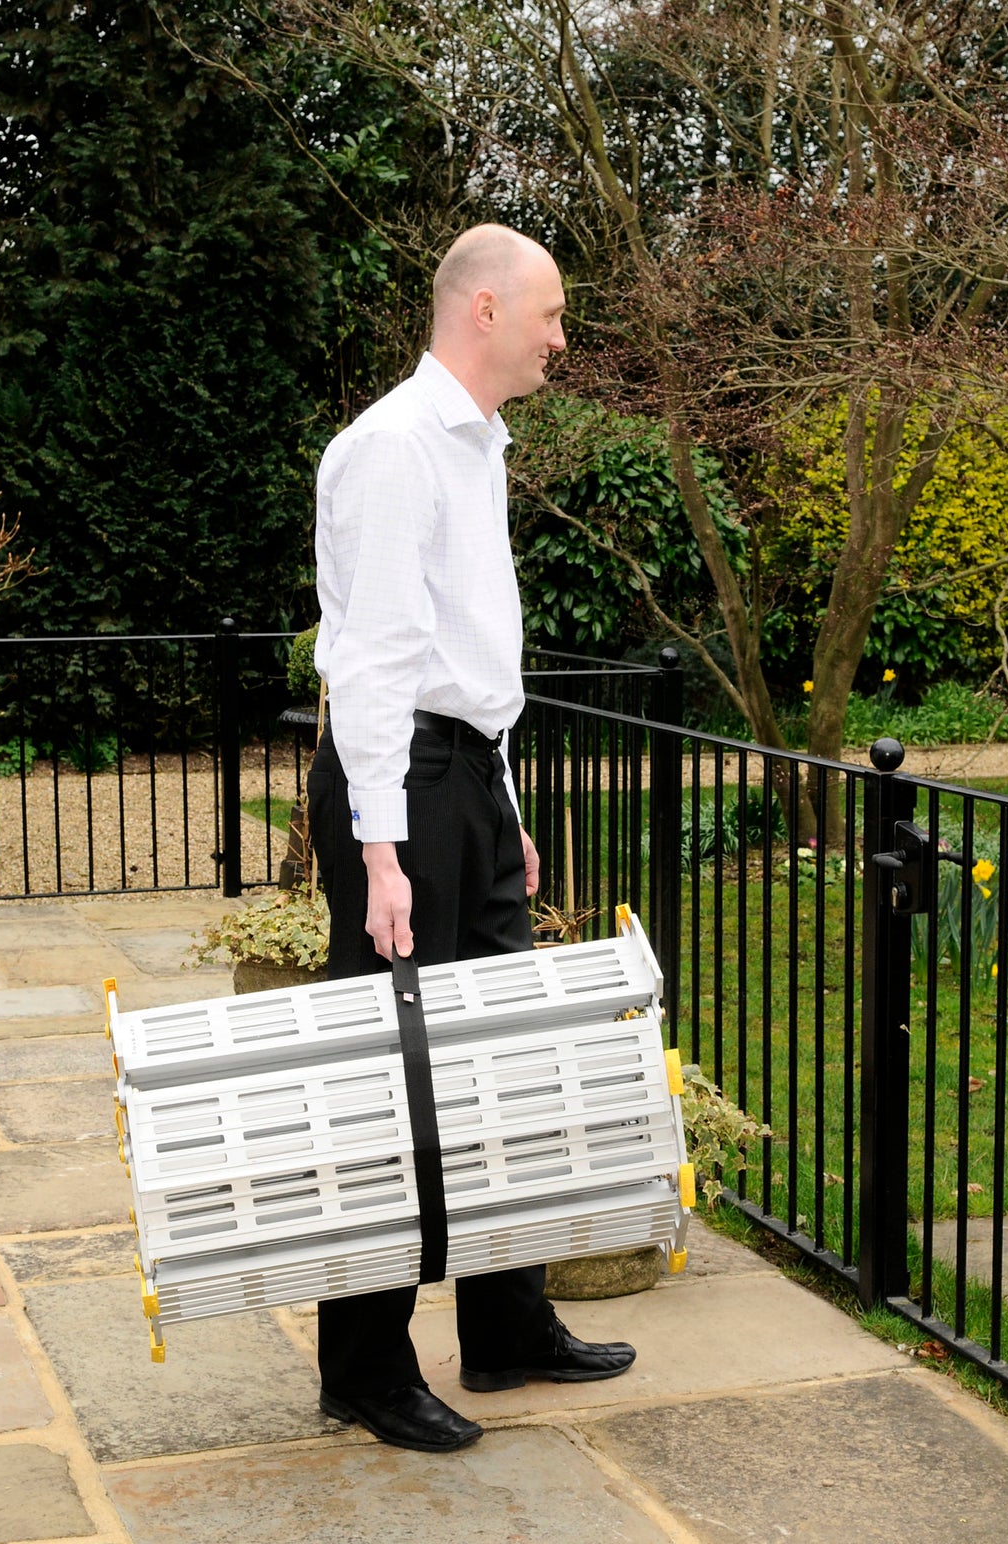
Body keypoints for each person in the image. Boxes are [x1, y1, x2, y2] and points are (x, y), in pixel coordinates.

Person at [307, 223, 636, 1454]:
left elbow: (465, 651)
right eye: (550, 314)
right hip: (403, 793)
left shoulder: (476, 444)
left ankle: (504, 1326)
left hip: (468, 784)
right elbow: (378, 660)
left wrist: (504, 800)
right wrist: (385, 851)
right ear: (485, 310)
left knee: (502, 1064)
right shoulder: (393, 448)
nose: (562, 337)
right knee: (390, 1088)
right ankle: (365, 1365)